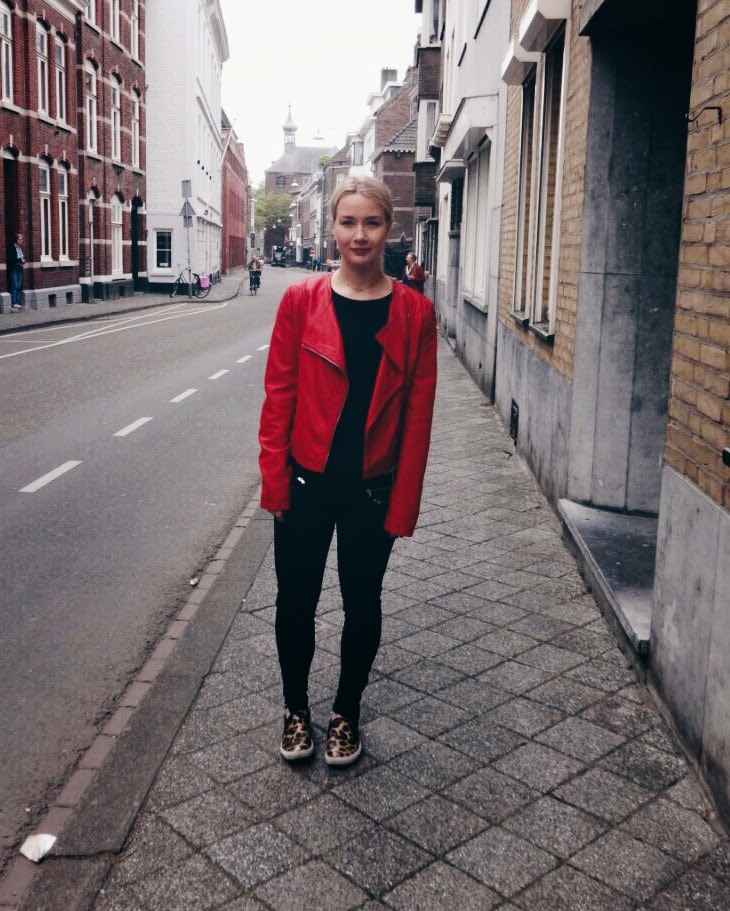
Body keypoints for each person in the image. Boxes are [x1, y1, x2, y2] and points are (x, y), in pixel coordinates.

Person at [259, 176, 437, 766]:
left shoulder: (415, 314)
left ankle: (346, 713)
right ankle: (295, 711)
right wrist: (274, 482)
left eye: (372, 223)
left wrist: (404, 504)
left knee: (363, 603)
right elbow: (279, 398)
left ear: (390, 228)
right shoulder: (300, 301)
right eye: (348, 222)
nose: (359, 235)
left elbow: (417, 418)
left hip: (372, 490)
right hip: (306, 484)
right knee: (295, 602)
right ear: (333, 229)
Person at [7, 233, 25, 312]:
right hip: (14, 269)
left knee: (18, 286)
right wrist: (21, 260)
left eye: (22, 239)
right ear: (16, 240)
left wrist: (22, 261)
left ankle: (17, 302)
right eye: (20, 239)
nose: (22, 241)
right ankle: (13, 302)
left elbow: (21, 257)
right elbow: (11, 259)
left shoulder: (20, 248)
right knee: (14, 286)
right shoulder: (12, 248)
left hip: (19, 268)